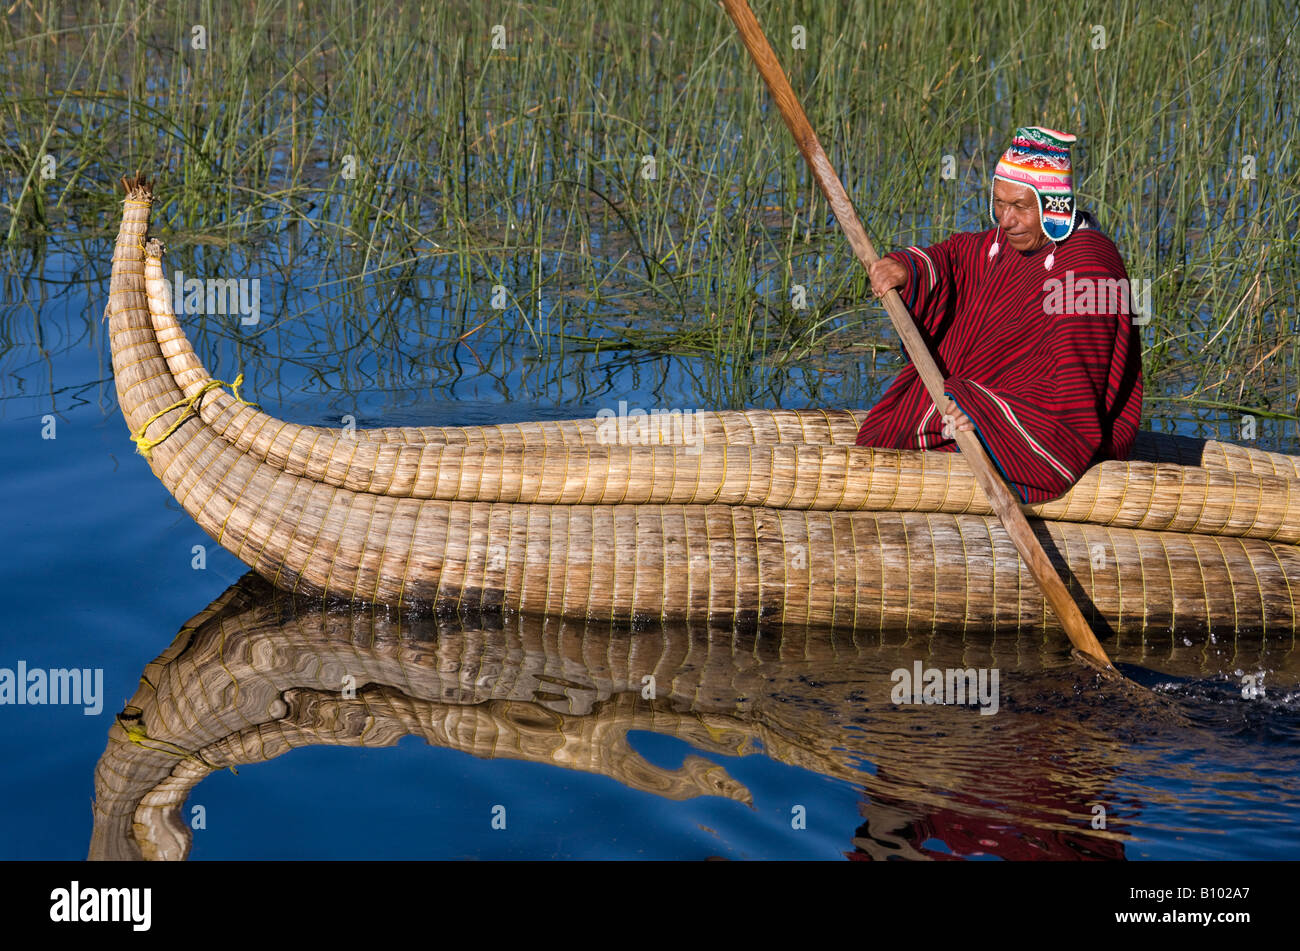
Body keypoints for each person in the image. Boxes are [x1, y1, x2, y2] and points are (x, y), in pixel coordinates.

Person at [855, 126, 1143, 503]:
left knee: (915, 423)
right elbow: (958, 256)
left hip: (1054, 434)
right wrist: (908, 268)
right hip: (987, 403)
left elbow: (1072, 387)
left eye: (1021, 207)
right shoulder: (1006, 241)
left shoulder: (1088, 266)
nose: (1005, 220)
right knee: (895, 421)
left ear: (1053, 205)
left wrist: (987, 414)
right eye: (999, 203)